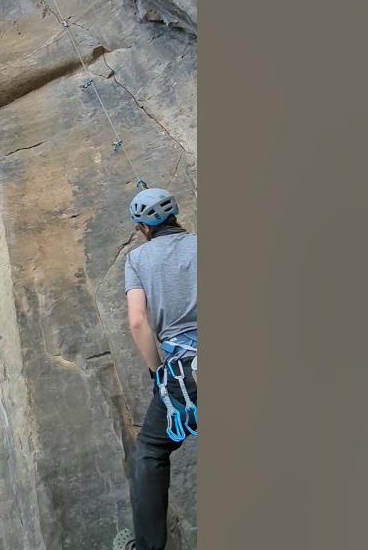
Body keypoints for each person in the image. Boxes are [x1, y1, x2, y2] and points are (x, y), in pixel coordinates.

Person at [116, 187, 197, 550]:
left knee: (150, 450)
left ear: (143, 227)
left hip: (184, 374)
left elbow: (137, 321)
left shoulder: (137, 261)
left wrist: (156, 371)